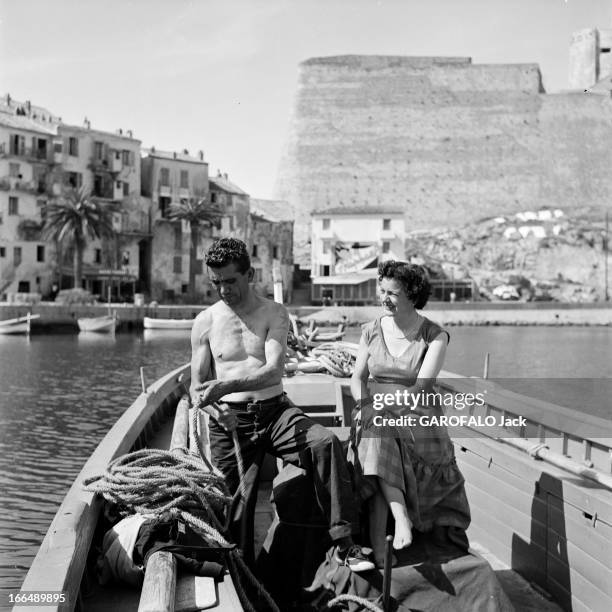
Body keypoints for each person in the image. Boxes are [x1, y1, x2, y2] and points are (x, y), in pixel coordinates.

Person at [190, 237, 374, 572]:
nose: (224, 290)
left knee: (325, 443)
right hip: (230, 423)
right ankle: (237, 568)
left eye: (230, 281)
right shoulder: (205, 321)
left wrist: (226, 385)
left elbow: (273, 370)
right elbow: (196, 387)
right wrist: (212, 407)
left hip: (275, 413)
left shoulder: (273, 312)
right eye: (216, 282)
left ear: (250, 275)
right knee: (234, 504)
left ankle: (345, 541)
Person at [349, 260, 471, 567]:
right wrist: (365, 406)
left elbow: (420, 388)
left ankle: (382, 546)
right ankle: (400, 520)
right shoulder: (371, 331)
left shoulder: (434, 336)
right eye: (382, 290)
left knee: (379, 437)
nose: (384, 298)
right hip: (373, 414)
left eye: (393, 292)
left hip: (416, 416)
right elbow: (357, 379)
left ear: (413, 295)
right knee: (378, 431)